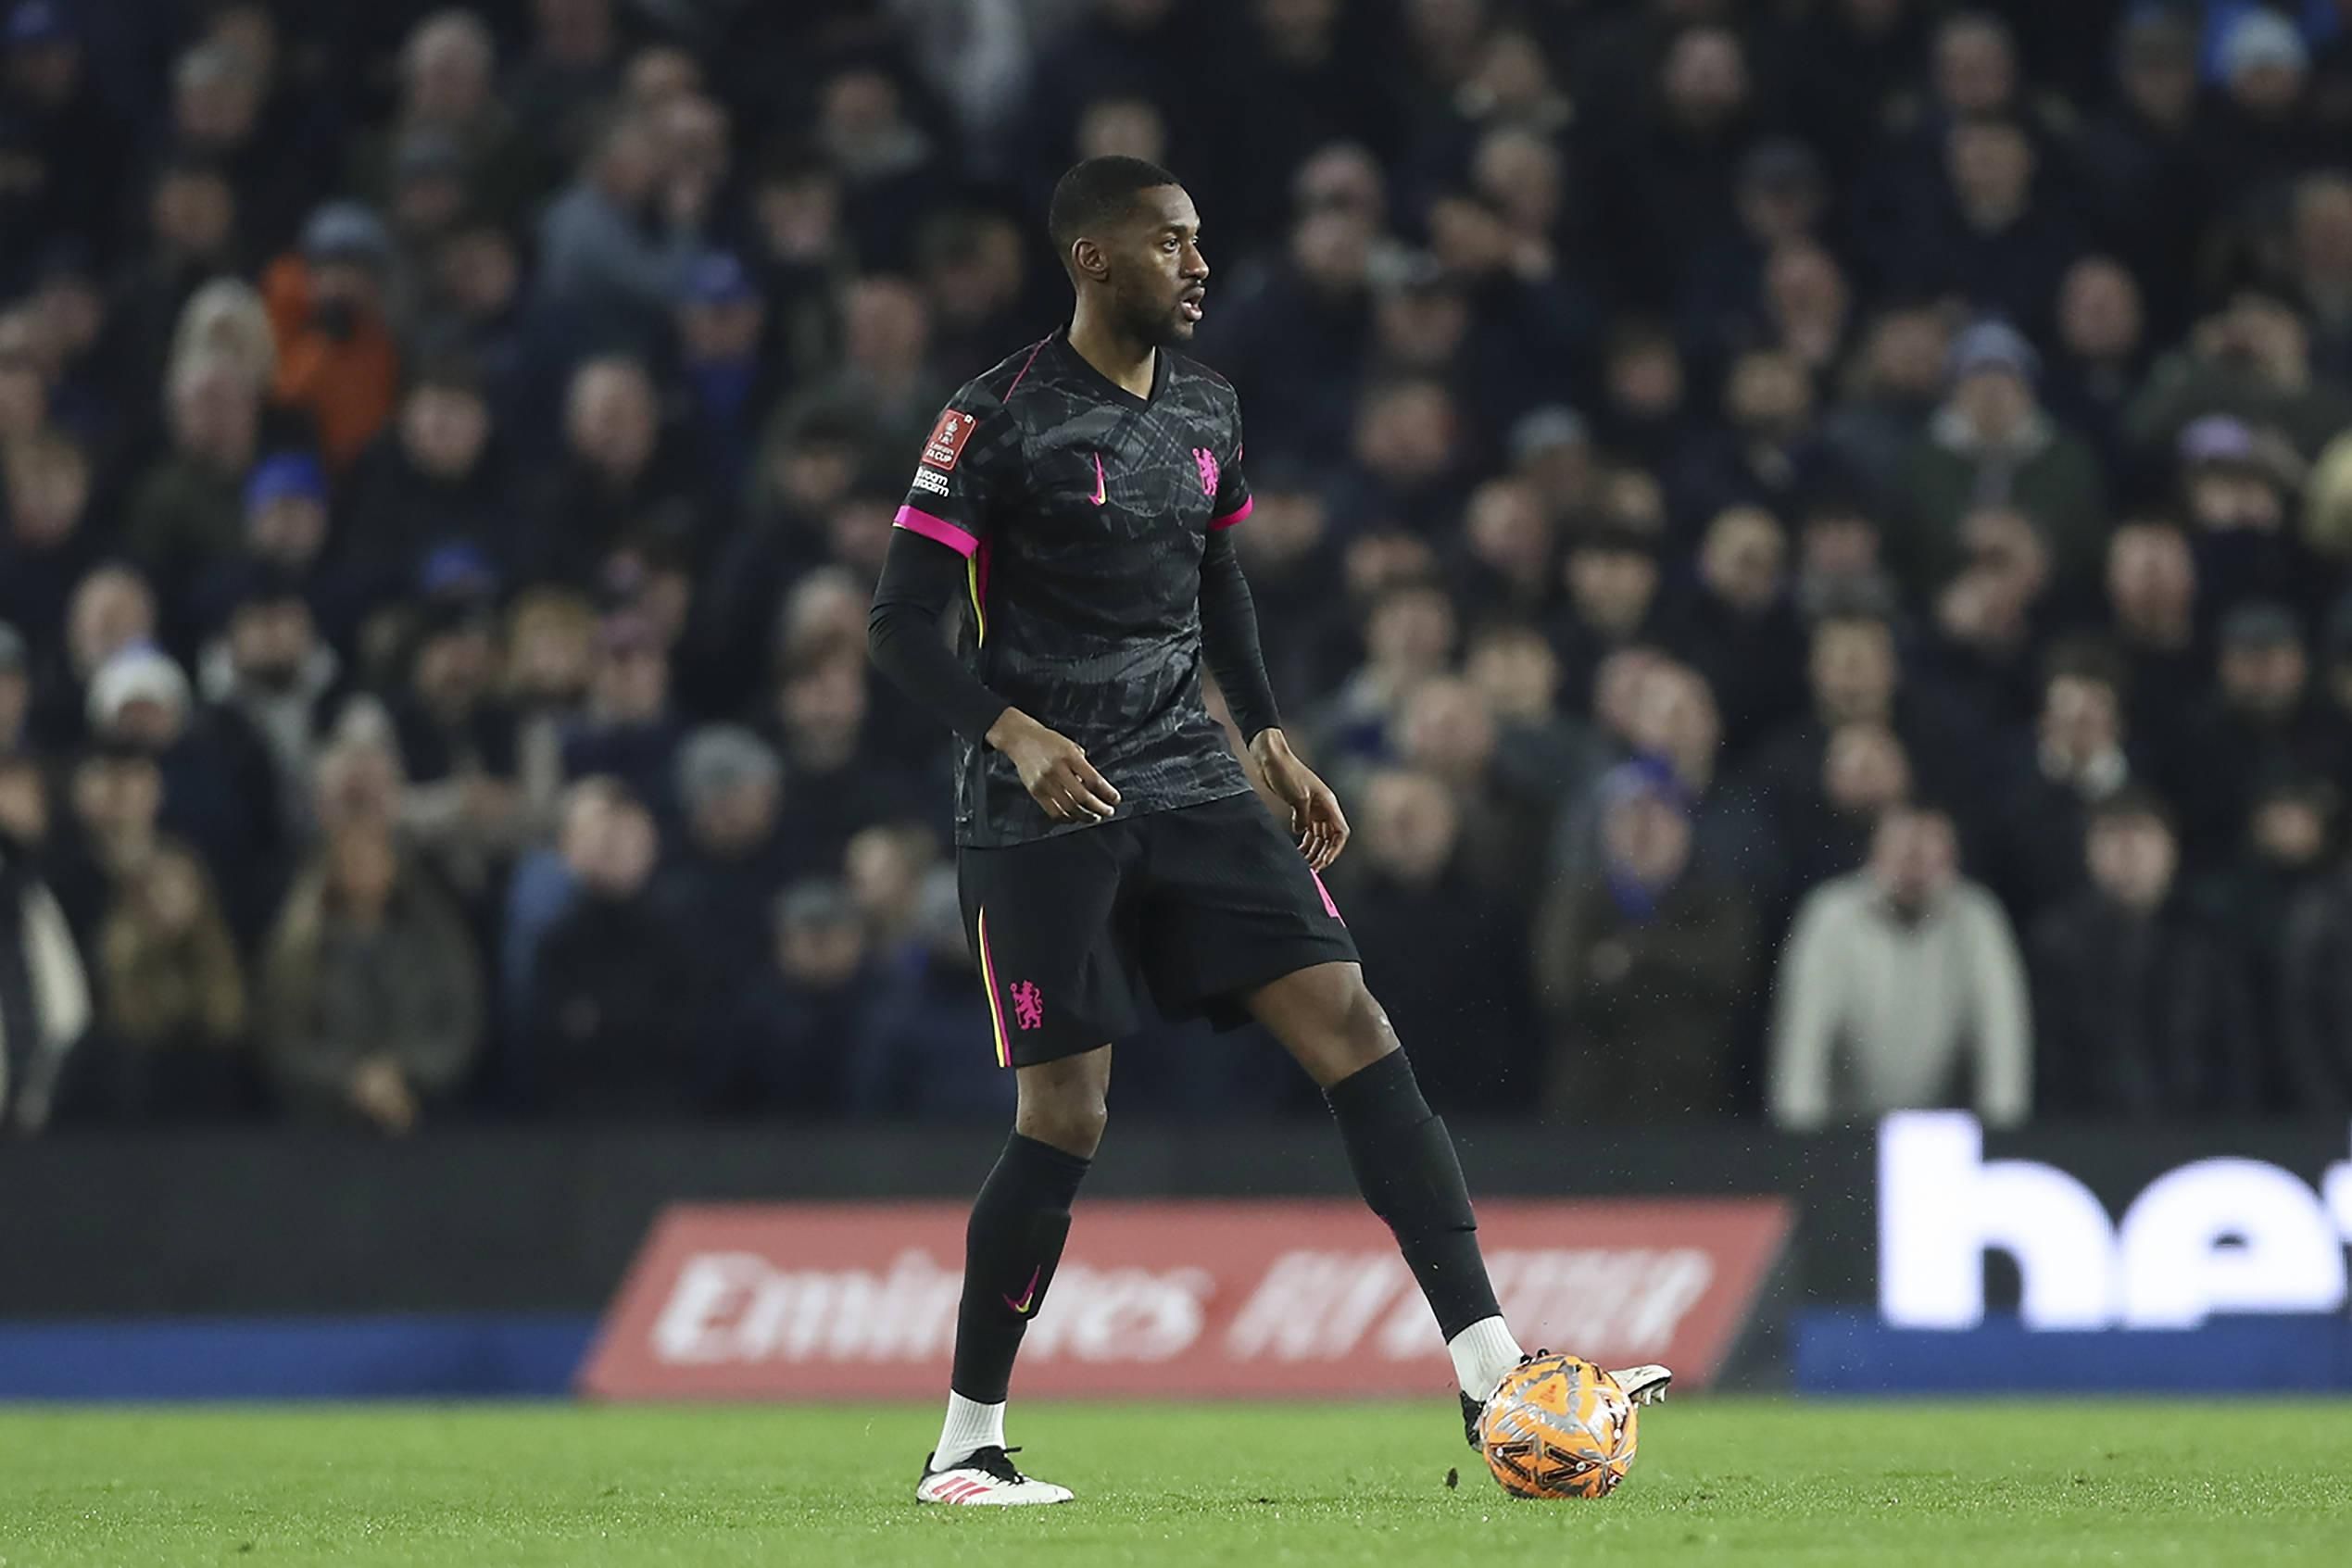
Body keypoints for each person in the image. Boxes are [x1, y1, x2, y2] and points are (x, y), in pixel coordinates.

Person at [865, 157, 1669, 1507]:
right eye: (1171, 241)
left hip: (1192, 778)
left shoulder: (1209, 405)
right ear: (1094, 260)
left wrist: (1271, 732)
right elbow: (899, 623)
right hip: (1041, 806)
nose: (1200, 263)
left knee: (1351, 1018)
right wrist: (1015, 734)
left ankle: (1492, 1372)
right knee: (1066, 1109)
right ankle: (966, 1441)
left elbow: (1219, 572)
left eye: (1199, 238)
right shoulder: (992, 416)